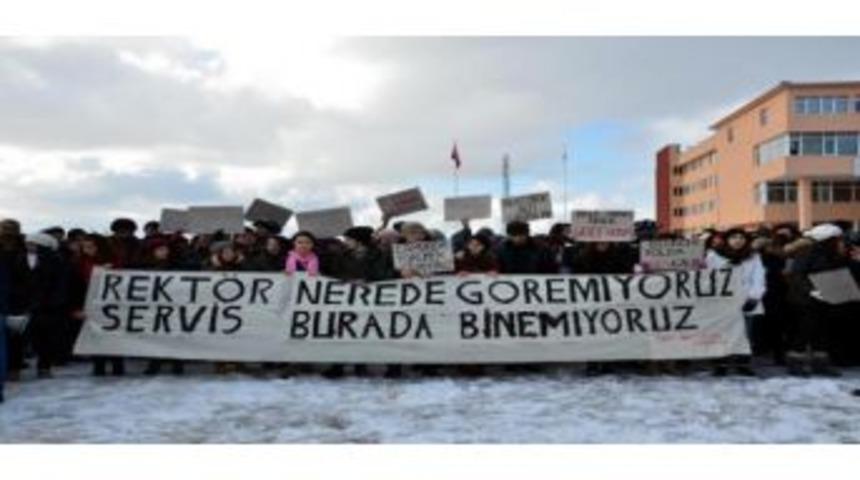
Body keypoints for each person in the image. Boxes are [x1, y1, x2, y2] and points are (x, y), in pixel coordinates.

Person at [785, 224, 849, 377]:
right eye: (837, 238)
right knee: (804, 331)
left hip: (826, 296)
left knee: (822, 331)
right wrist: (812, 291)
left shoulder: (833, 253)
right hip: (805, 299)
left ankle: (820, 363)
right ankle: (795, 362)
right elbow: (797, 275)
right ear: (828, 239)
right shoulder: (807, 252)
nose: (841, 241)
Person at [705, 228, 766, 377]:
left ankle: (742, 363)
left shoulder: (753, 256)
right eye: (733, 237)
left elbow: (759, 277)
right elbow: (706, 277)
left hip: (746, 299)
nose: (738, 240)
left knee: (745, 334)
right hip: (722, 300)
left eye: (741, 237)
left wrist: (754, 297)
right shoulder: (714, 255)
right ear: (727, 240)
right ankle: (720, 363)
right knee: (722, 332)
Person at [23, 233, 67, 379]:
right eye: (28, 243)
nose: (29, 246)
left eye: (33, 244)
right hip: (27, 303)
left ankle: (44, 366)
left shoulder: (55, 260)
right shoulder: (21, 258)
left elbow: (60, 283)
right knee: (33, 336)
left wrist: (54, 301)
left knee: (46, 337)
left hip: (48, 305)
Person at [141, 238, 185, 376]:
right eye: (160, 249)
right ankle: (154, 363)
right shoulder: (144, 266)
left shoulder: (176, 265)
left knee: (174, 335)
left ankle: (177, 364)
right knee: (156, 336)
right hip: (153, 307)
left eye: (165, 249)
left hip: (173, 306)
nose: (164, 252)